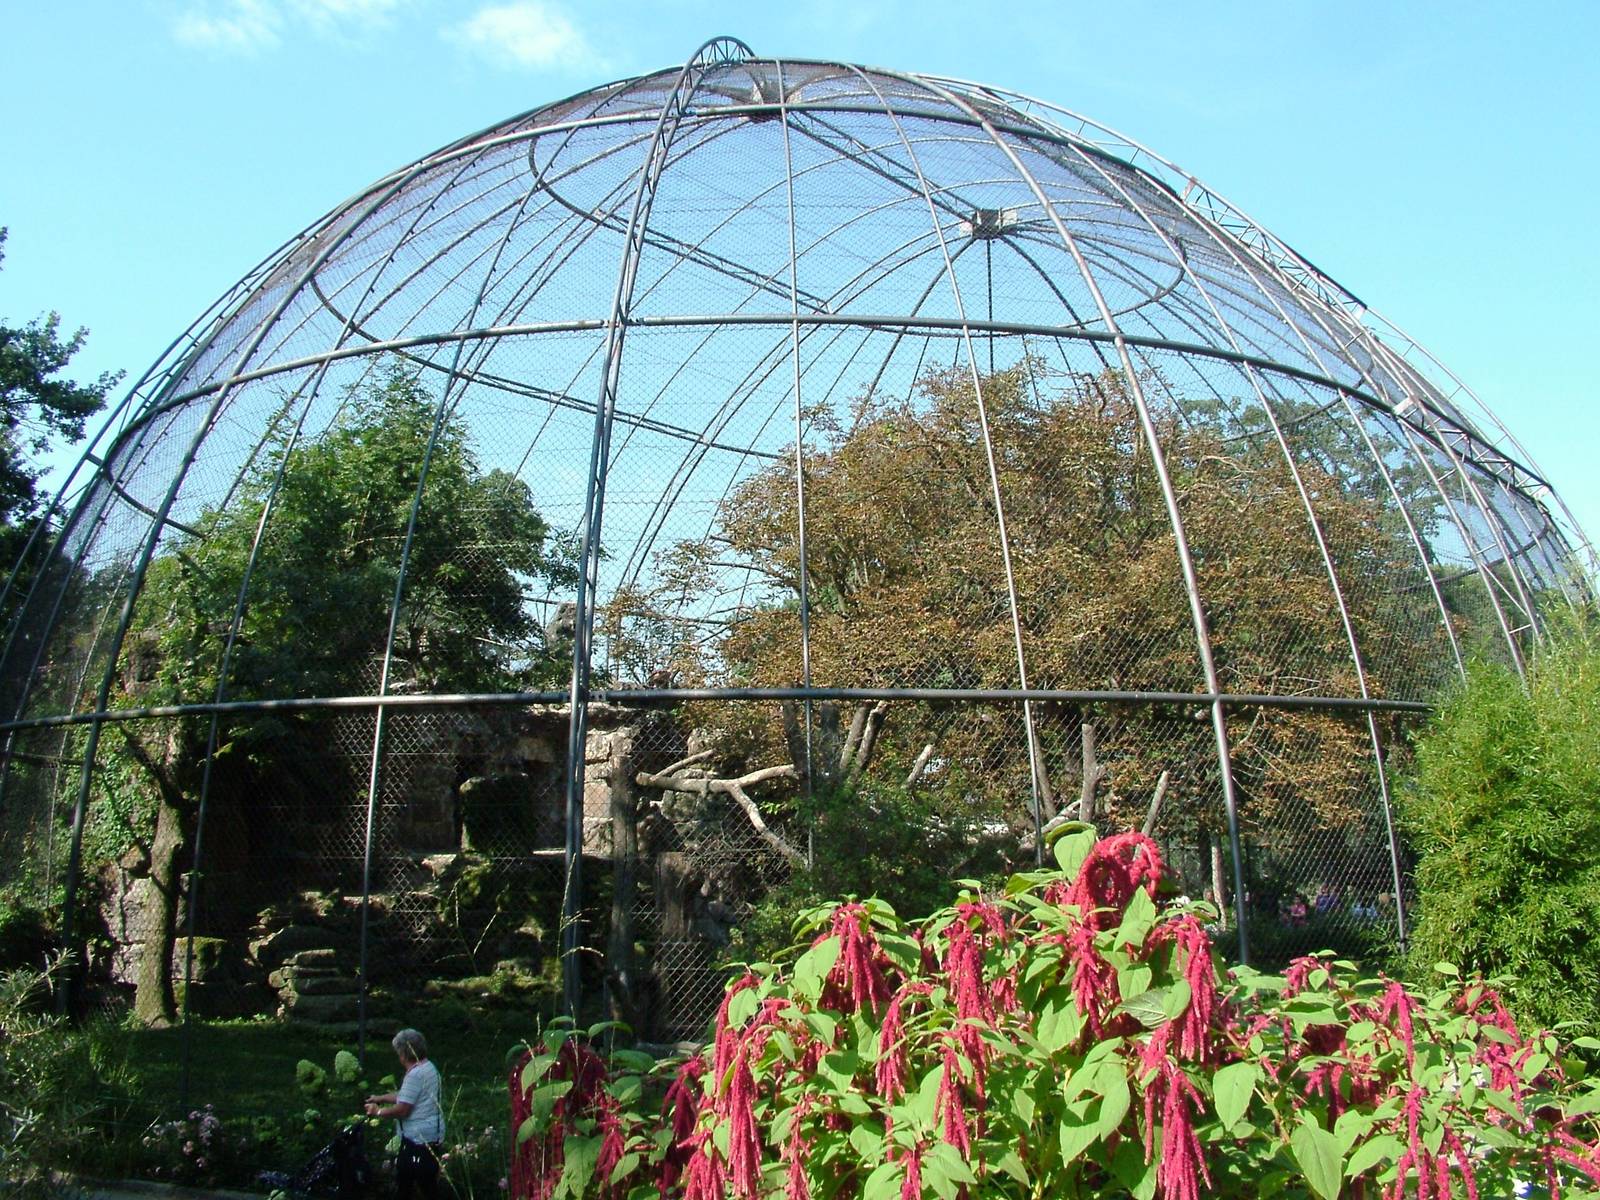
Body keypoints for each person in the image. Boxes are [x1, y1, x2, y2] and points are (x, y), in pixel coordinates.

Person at [365, 1029, 445, 1200]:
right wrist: (381, 1097)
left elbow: (403, 1109)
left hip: (417, 1140)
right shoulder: (428, 1067)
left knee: (415, 1184)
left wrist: (378, 1111)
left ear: (403, 1054)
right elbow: (406, 1095)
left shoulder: (415, 1075)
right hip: (431, 1135)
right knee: (415, 1182)